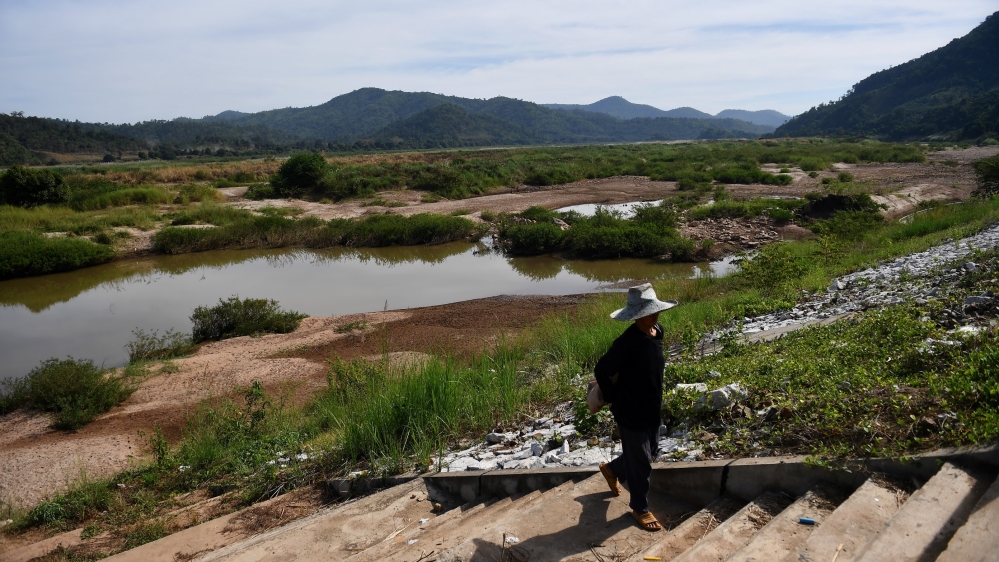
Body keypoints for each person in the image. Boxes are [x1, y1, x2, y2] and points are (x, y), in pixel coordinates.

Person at [593, 283, 676, 532]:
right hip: (630, 409)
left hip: (651, 406)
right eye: (650, 312)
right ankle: (640, 508)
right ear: (638, 315)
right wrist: (611, 395)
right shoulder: (626, 342)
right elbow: (602, 369)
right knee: (642, 462)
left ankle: (612, 469)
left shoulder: (657, 331)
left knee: (649, 453)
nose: (656, 315)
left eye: (655, 310)